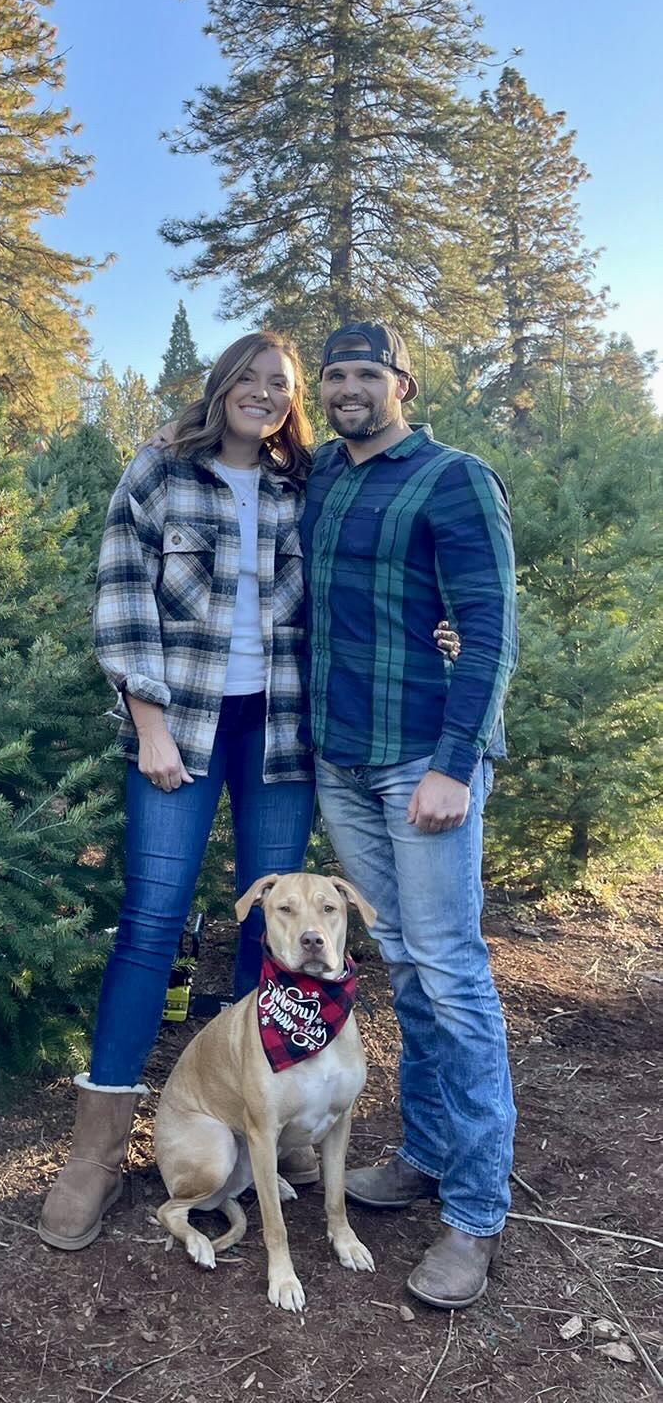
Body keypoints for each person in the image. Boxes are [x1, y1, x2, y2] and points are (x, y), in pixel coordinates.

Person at [38, 331, 456, 1254]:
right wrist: (147, 724)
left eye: (282, 385)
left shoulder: (298, 487)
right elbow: (120, 600)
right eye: (250, 379)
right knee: (152, 920)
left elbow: (351, 596)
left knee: (270, 935)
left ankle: (273, 1120)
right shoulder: (156, 475)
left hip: (279, 734)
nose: (264, 395)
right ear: (221, 385)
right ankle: (98, 1151)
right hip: (179, 729)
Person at [303, 322, 519, 1310]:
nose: (350, 388)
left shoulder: (452, 477)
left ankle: (475, 1214)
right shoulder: (319, 475)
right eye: (335, 374)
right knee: (410, 975)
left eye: (367, 374)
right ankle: (426, 1151)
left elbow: (487, 631)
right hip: (338, 761)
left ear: (403, 382)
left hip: (419, 766)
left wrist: (457, 762)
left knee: (451, 969)